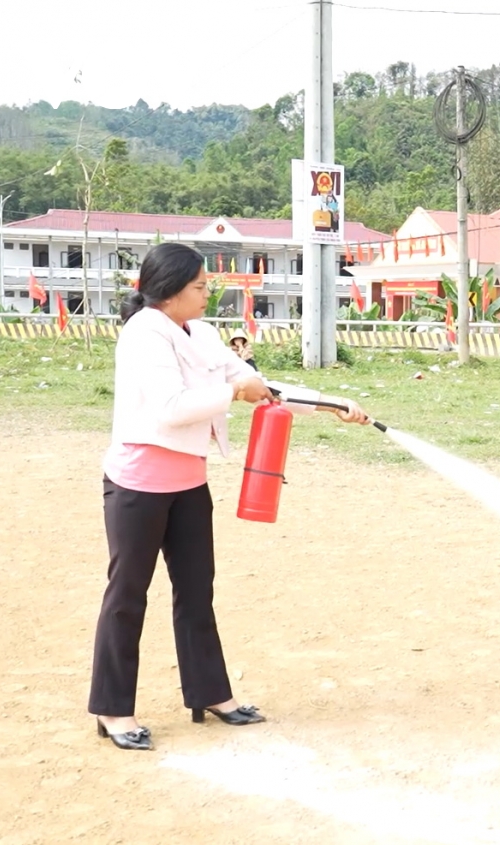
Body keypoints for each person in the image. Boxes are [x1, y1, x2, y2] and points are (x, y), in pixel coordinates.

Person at [90, 242, 370, 751]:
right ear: (170, 291)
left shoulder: (201, 332)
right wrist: (234, 392)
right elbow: (173, 408)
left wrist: (331, 404)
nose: (206, 294)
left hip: (189, 484)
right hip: (138, 485)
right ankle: (112, 709)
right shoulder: (143, 334)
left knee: (198, 591)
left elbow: (254, 383)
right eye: (198, 286)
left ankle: (211, 694)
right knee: (127, 596)